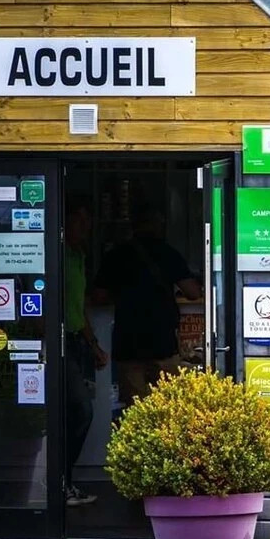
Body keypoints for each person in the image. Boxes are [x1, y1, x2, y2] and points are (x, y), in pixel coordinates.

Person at [92, 204, 201, 406]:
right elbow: (193, 293)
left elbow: (98, 296)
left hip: (128, 343)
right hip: (162, 341)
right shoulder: (167, 253)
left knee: (135, 409)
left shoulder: (116, 255)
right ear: (156, 225)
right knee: (168, 407)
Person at [64, 196, 109, 507]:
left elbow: (78, 307)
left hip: (75, 342)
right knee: (80, 411)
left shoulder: (77, 255)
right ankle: (59, 483)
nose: (85, 227)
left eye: (87, 222)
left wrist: (93, 345)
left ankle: (62, 482)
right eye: (79, 220)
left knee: (74, 412)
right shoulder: (54, 253)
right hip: (56, 343)